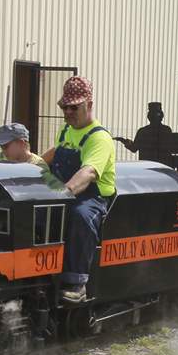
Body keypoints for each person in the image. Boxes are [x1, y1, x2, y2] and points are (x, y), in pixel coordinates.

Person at [43, 76, 116, 302]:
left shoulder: (99, 138)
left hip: (91, 198)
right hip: (62, 190)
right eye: (64, 106)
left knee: (80, 216)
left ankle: (77, 282)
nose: (68, 112)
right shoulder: (65, 131)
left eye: (74, 107)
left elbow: (89, 173)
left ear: (89, 105)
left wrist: (63, 194)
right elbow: (50, 156)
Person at [114, 102, 175, 167]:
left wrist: (123, 141)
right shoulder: (166, 130)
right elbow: (171, 148)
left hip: (146, 166)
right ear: (161, 116)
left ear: (149, 117)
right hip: (164, 165)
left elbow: (134, 148)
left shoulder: (142, 131)